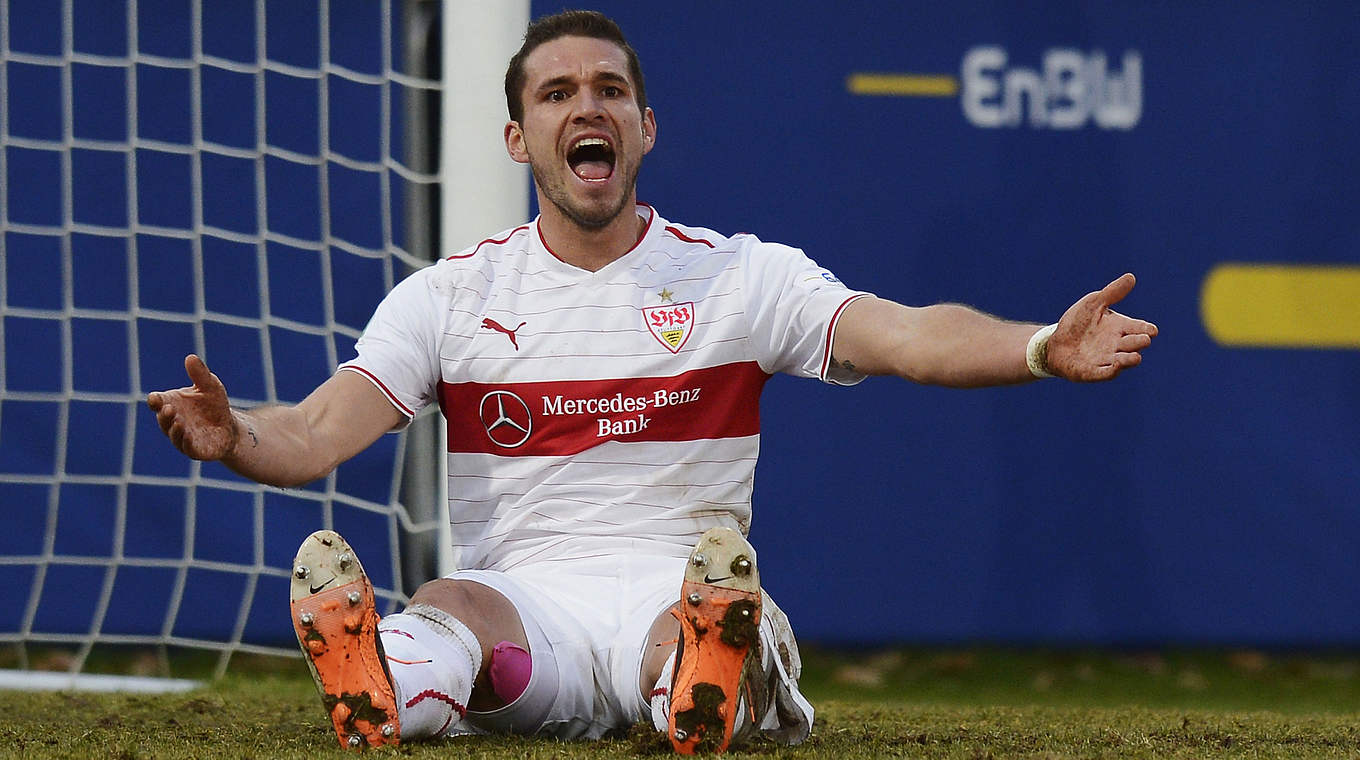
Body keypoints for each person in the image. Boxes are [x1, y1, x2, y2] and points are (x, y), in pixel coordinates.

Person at [146, 9, 1157, 754]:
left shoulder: (740, 276)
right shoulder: (452, 298)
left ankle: (701, 682)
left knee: (697, 626)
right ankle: (384, 680)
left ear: (644, 126)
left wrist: (1038, 346)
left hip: (681, 583)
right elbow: (319, 432)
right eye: (557, 94)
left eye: (609, 90)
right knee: (450, 604)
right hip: (524, 607)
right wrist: (235, 436)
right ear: (519, 139)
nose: (587, 106)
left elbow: (905, 335)